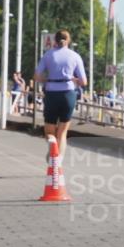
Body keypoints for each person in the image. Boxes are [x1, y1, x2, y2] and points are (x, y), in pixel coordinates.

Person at [35, 29, 87, 159]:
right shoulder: (75, 56)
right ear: (68, 40)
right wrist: (73, 79)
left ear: (55, 40)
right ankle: (59, 159)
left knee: (49, 130)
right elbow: (84, 81)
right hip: (68, 94)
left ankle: (52, 144)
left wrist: (48, 80)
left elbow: (37, 76)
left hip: (52, 93)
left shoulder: (48, 55)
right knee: (63, 132)